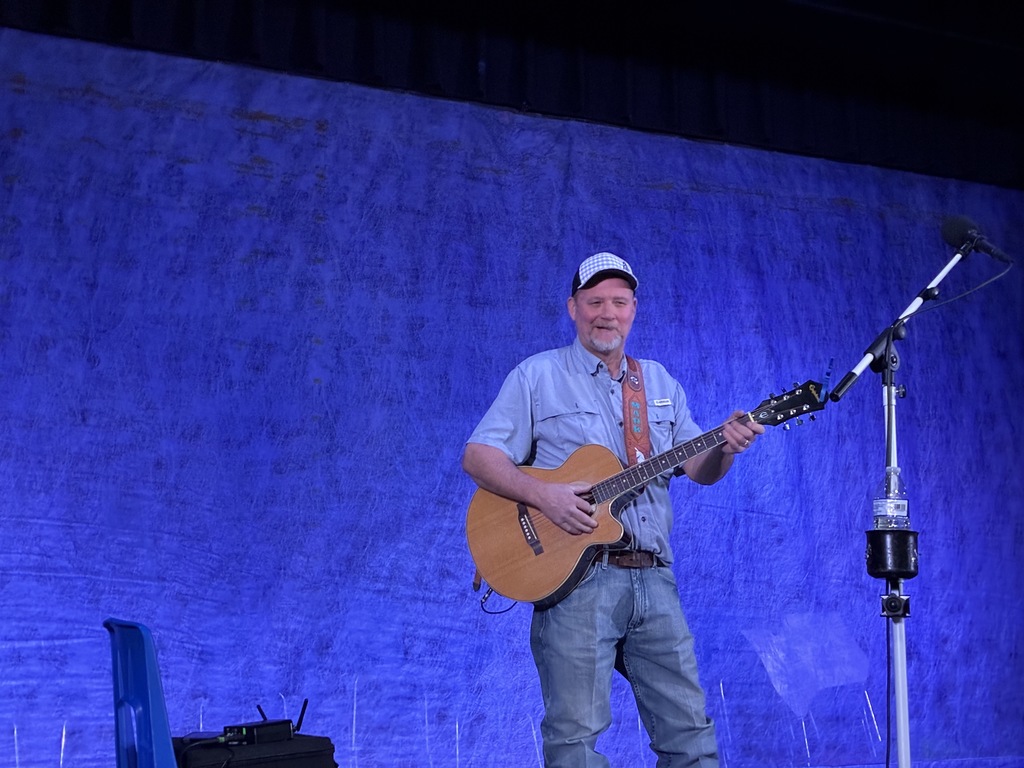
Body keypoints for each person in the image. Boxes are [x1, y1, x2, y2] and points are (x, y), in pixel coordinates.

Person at [461, 252, 764, 768]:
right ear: (573, 308)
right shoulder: (538, 375)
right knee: (574, 741)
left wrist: (726, 448)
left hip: (655, 579)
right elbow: (479, 456)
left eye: (619, 302)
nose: (608, 312)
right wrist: (545, 496)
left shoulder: (660, 385)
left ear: (633, 310)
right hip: (580, 584)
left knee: (690, 734)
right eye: (595, 301)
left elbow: (699, 470)